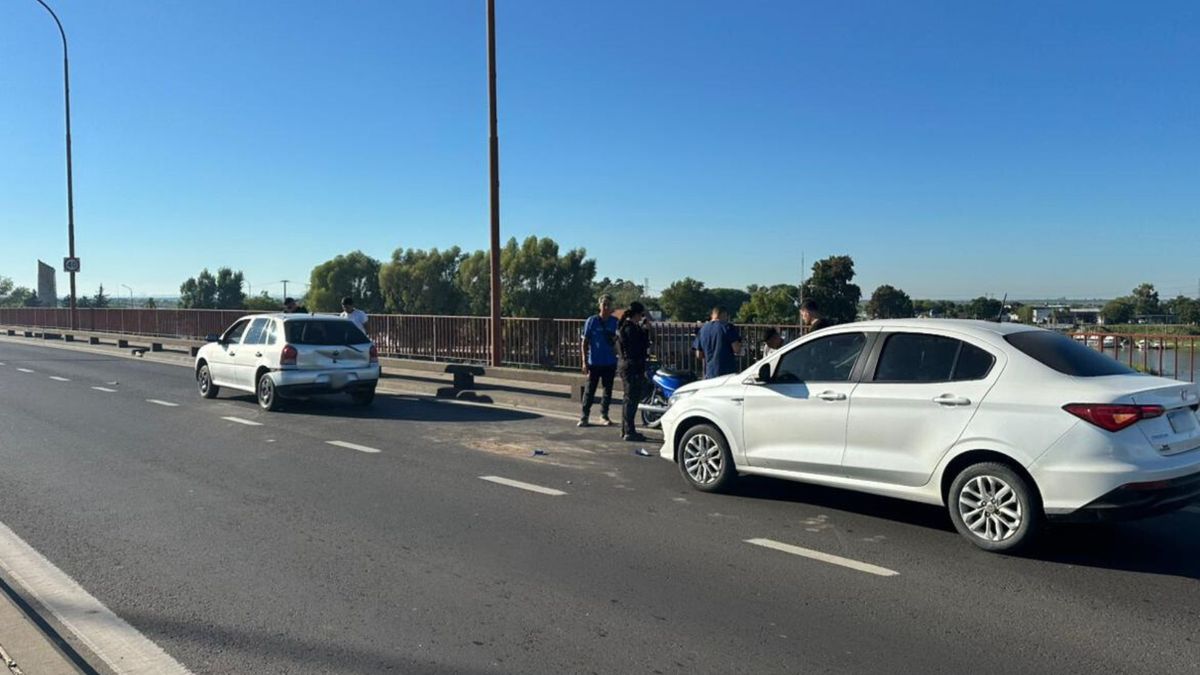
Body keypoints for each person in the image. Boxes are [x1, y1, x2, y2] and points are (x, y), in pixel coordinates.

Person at [578, 294, 618, 427]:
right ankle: (584, 416)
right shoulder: (592, 321)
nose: (606, 307)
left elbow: (618, 341)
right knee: (590, 390)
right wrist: (584, 361)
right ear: (599, 305)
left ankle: (604, 415)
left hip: (609, 362)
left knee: (608, 391)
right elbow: (585, 342)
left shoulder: (614, 322)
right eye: (604, 304)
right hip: (594, 362)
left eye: (608, 304)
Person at [616, 301, 651, 442]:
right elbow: (641, 347)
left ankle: (625, 429)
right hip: (633, 366)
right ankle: (629, 431)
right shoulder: (631, 329)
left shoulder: (624, 327)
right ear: (636, 314)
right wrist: (646, 331)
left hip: (626, 365)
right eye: (641, 314)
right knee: (632, 398)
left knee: (628, 398)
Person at [692, 306, 743, 379]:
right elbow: (736, 349)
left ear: (712, 315)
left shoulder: (702, 330)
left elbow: (699, 355)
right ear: (725, 315)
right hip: (727, 373)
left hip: (709, 373)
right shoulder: (728, 327)